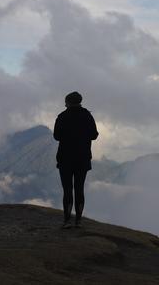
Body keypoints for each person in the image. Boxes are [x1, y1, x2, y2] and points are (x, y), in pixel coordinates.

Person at [53, 91, 99, 229]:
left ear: (68, 102)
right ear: (79, 101)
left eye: (65, 101)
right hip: (83, 158)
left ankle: (67, 221)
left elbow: (56, 136)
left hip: (65, 158)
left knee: (67, 189)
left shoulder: (62, 116)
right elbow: (94, 135)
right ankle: (78, 221)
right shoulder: (87, 116)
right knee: (79, 189)